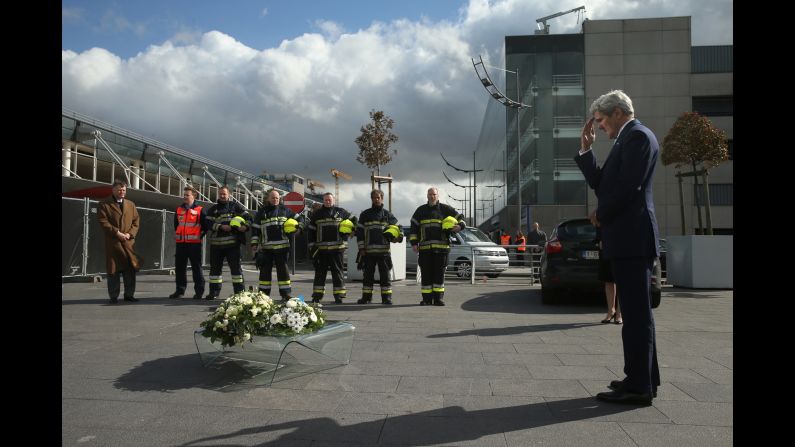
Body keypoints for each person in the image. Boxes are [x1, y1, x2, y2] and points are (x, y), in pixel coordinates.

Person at [576, 89, 661, 406]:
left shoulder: (637, 137)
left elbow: (629, 188)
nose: (597, 127)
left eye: (599, 120)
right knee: (639, 315)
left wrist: (602, 213)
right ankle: (644, 378)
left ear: (616, 113)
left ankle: (639, 387)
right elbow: (604, 184)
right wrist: (586, 152)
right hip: (629, 238)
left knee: (637, 317)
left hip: (633, 238)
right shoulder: (627, 139)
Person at [409, 187, 465, 306]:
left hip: (441, 250)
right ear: (427, 196)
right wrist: (414, 243)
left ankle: (438, 299)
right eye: (430, 194)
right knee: (426, 275)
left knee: (439, 275)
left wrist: (460, 226)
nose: (432, 196)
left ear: (437, 196)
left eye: (434, 194)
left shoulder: (445, 209)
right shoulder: (420, 210)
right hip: (425, 250)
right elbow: (413, 227)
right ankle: (426, 299)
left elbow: (460, 217)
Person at [250, 189, 304, 301]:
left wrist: (299, 228)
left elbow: (301, 219)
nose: (275, 200)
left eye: (277, 198)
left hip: (282, 248)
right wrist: (254, 244)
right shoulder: (262, 212)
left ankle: (286, 294)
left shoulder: (286, 210)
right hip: (266, 249)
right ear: (268, 199)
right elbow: (255, 229)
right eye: (273, 198)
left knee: (283, 273)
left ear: (280, 199)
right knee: (264, 273)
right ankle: (263, 296)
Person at [96, 179, 141, 303]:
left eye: (124, 190)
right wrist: (117, 233)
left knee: (130, 270)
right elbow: (103, 221)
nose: (122, 192)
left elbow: (136, 222)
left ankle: (129, 294)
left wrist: (129, 234)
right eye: (120, 190)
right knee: (113, 270)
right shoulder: (104, 204)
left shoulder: (130, 204)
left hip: (128, 243)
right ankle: (113, 296)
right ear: (113, 190)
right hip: (113, 243)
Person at [204, 186, 252, 300]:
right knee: (215, 271)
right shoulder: (213, 209)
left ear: (229, 194)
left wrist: (245, 227)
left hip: (233, 245)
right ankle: (213, 292)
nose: (222, 195)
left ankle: (240, 293)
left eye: (224, 194)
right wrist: (220, 226)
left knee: (236, 270)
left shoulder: (236, 206)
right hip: (216, 246)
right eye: (220, 194)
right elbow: (207, 223)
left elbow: (249, 218)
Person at [356, 189, 402, 305]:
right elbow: (360, 232)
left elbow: (398, 228)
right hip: (368, 252)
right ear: (371, 199)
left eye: (378, 197)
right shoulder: (365, 214)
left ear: (382, 198)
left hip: (384, 252)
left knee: (385, 277)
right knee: (367, 277)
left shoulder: (387, 214)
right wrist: (361, 248)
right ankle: (366, 298)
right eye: (374, 198)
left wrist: (398, 238)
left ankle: (386, 298)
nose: (376, 199)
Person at [306, 192, 354, 303]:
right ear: (323, 201)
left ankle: (339, 296)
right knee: (320, 273)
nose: (328, 201)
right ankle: (317, 295)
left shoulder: (341, 212)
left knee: (337, 273)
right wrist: (312, 247)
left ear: (333, 200)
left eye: (329, 200)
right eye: (326, 200)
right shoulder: (316, 214)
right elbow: (311, 232)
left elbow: (354, 221)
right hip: (321, 250)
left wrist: (351, 230)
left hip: (337, 250)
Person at [169, 186, 207, 300]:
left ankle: (199, 292)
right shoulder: (179, 209)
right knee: (180, 268)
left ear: (193, 196)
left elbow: (205, 227)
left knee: (197, 268)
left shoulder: (200, 210)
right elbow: (177, 225)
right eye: (184, 195)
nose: (184, 197)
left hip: (194, 244)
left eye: (187, 195)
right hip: (181, 244)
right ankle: (180, 290)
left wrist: (199, 236)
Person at [596, 227, 622, 324]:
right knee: (608, 278)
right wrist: (600, 238)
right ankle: (611, 311)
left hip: (623, 244)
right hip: (607, 243)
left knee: (621, 279)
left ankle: (620, 313)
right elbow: (599, 220)